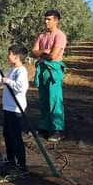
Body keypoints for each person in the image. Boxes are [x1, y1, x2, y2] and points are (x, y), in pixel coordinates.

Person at [31, 10, 68, 142]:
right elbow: (33, 52)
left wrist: (42, 54)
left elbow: (54, 56)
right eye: (45, 19)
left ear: (56, 20)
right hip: (42, 71)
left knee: (55, 99)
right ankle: (44, 127)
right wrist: (44, 52)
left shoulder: (60, 36)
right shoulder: (42, 36)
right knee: (44, 100)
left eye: (49, 19)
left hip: (54, 71)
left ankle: (58, 129)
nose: (46, 22)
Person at [0, 45, 29, 175]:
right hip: (7, 108)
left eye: (9, 54)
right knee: (7, 134)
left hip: (16, 109)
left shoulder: (21, 71)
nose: (8, 56)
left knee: (16, 137)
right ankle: (10, 160)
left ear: (16, 56)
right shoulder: (11, 70)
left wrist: (8, 81)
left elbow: (21, 88)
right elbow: (1, 82)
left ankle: (21, 164)